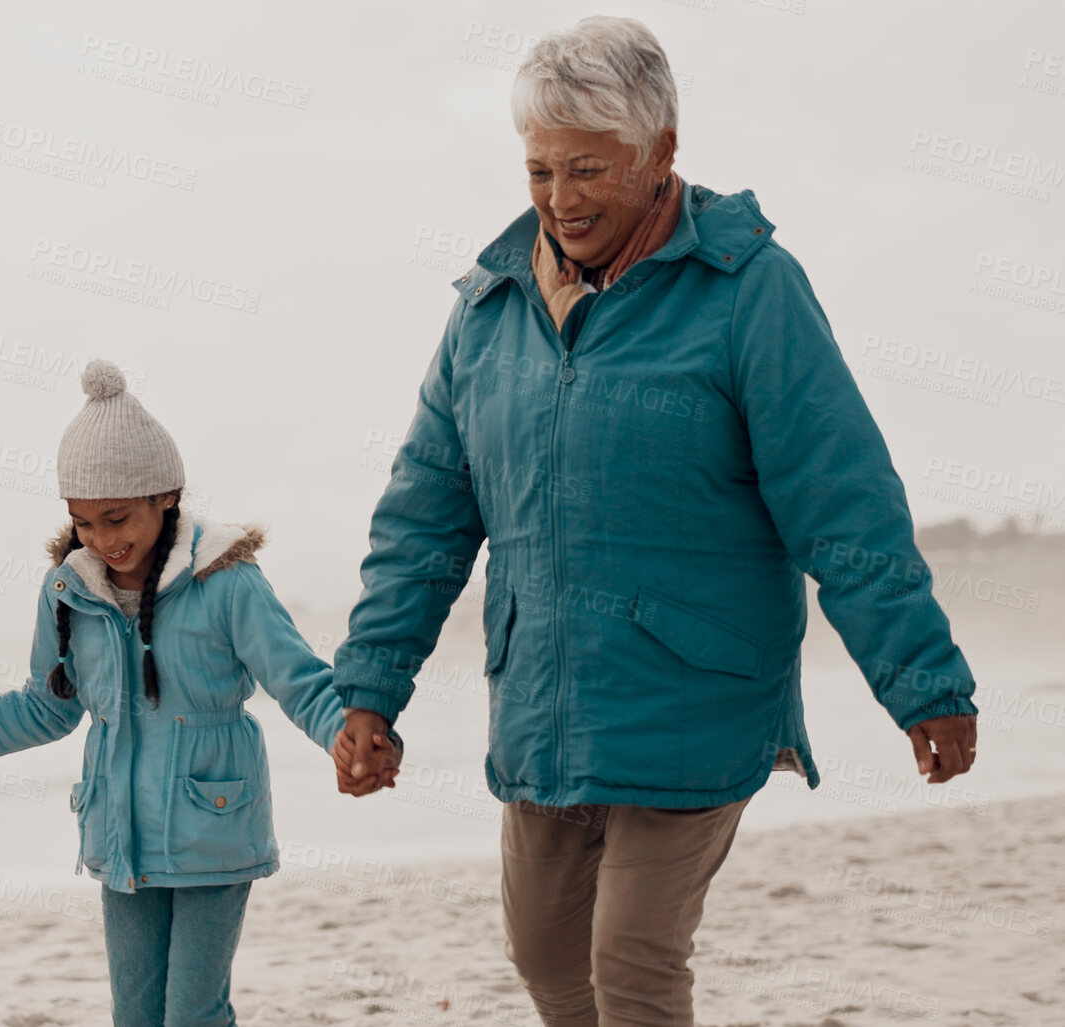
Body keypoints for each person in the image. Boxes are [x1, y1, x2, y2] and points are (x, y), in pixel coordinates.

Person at [329, 17, 980, 1026]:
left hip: (698, 692)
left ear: (662, 151)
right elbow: (423, 520)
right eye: (540, 169)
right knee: (546, 951)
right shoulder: (488, 310)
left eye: (588, 167)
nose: (559, 198)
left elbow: (841, 498)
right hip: (544, 700)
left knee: (631, 958)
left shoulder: (751, 293)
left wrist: (921, 679)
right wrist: (369, 690)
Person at [0, 359, 396, 1026]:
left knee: (191, 1013)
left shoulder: (227, 582)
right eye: (85, 522)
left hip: (213, 823)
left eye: (117, 517)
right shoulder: (69, 592)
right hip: (117, 834)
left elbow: (296, 678)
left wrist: (345, 732)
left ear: (166, 496)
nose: (104, 539)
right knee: (134, 1013)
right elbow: (49, 703)